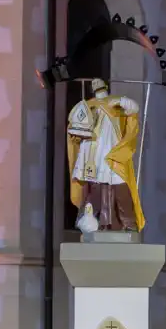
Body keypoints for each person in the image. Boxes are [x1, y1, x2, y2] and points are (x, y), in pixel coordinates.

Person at [66, 77, 145, 233]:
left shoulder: (116, 103)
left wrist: (122, 101)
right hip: (92, 154)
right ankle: (94, 222)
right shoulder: (88, 106)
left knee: (120, 184)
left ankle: (128, 222)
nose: (97, 87)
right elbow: (74, 129)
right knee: (95, 188)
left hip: (111, 151)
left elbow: (133, 108)